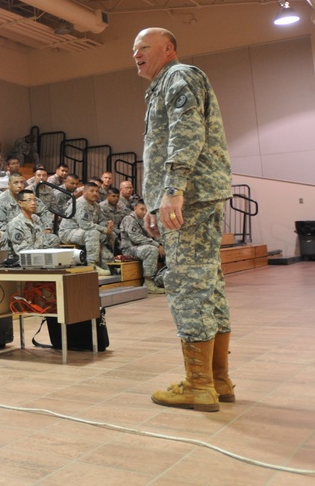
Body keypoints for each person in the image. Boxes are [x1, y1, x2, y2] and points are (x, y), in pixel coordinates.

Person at [135, 26, 233, 412]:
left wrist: (173, 190)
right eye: (134, 49)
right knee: (208, 284)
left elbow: (186, 132)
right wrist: (155, 200)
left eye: (144, 47)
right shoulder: (163, 85)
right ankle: (218, 379)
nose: (136, 55)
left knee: (188, 285)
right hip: (192, 196)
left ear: (168, 49)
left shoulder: (178, 76)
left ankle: (198, 385)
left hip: (188, 197)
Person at [59, 180, 113, 275]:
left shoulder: (96, 205)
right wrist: (104, 229)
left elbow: (101, 220)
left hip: (82, 232)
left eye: (97, 191)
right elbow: (85, 225)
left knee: (108, 235)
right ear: (84, 192)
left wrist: (108, 225)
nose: (95, 193)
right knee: (93, 233)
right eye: (92, 191)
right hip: (69, 232)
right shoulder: (79, 204)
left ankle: (107, 264)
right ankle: (92, 265)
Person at [119, 200, 165, 294]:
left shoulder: (145, 220)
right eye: (142, 209)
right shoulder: (130, 219)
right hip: (130, 249)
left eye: (146, 210)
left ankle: (163, 279)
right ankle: (148, 283)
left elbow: (154, 236)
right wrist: (156, 245)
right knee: (151, 250)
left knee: (167, 247)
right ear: (135, 208)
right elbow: (135, 238)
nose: (144, 212)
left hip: (141, 248)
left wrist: (162, 245)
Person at [6, 189, 61, 257]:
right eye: (29, 200)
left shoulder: (36, 220)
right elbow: (22, 252)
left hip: (38, 258)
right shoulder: (16, 224)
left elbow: (43, 242)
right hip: (22, 262)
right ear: (20, 203)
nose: (33, 203)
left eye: (34, 200)